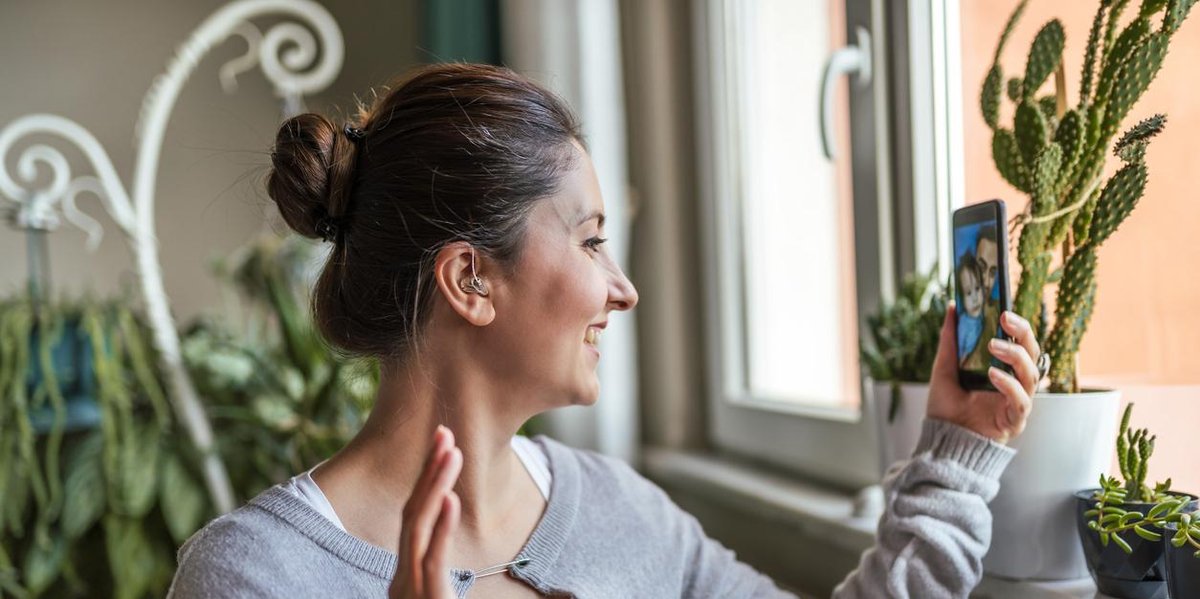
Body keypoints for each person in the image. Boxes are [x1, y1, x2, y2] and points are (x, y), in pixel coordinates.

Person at [167, 63, 1042, 599]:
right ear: (470, 278)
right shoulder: (251, 578)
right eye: (589, 240)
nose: (621, 289)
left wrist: (954, 458)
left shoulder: (622, 514)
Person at [956, 251, 986, 368]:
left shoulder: (985, 315)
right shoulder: (963, 323)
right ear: (961, 298)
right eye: (968, 293)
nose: (974, 298)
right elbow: (960, 358)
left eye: (977, 288)